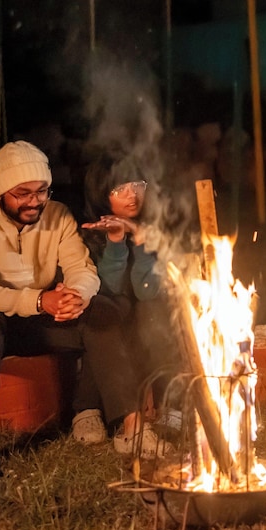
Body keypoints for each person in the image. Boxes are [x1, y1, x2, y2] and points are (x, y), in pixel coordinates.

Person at [0, 141, 168, 486]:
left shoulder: (57, 215)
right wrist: (41, 301)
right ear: (0, 192)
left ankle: (131, 427)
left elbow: (82, 269)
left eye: (41, 191)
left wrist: (77, 296)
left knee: (102, 310)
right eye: (23, 193)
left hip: (33, 319)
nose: (34, 201)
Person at [81, 155, 180, 420]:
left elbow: (147, 290)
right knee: (109, 313)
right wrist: (115, 240)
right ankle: (87, 411)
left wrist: (140, 238)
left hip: (148, 322)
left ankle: (168, 404)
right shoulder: (90, 235)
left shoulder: (158, 228)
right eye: (120, 189)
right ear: (102, 193)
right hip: (109, 323)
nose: (132, 195)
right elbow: (111, 290)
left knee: (154, 309)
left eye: (137, 185)